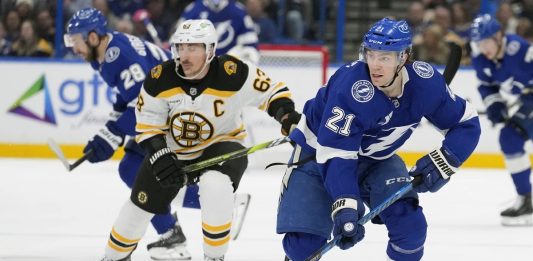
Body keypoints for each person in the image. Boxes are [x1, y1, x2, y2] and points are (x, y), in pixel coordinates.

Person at [277, 18, 481, 261]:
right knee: (302, 247)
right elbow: (336, 154)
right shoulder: (350, 87)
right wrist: (346, 204)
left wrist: (444, 160)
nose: (375, 65)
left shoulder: (425, 83)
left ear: (403, 57)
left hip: (376, 161)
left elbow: (466, 123)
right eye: (371, 55)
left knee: (410, 226)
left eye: (384, 57)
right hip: (319, 156)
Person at [99, 19, 301, 261]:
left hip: (222, 145)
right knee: (139, 206)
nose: (184, 55)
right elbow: (146, 122)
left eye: (192, 48)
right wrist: (159, 153)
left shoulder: (233, 72)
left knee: (214, 185)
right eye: (180, 48)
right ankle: (113, 257)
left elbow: (272, 91)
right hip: (173, 151)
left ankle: (214, 257)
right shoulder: (159, 78)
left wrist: (286, 115)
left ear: (210, 50)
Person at [63, 8, 247, 261]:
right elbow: (127, 96)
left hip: (178, 112)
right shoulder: (107, 51)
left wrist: (112, 132)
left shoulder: (118, 55)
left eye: (76, 41)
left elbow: (143, 99)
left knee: (134, 170)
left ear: (93, 37)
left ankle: (211, 209)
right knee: (132, 168)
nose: (74, 48)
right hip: (172, 110)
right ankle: (177, 232)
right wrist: (111, 129)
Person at [470, 14, 533, 226]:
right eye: (479, 43)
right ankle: (526, 200)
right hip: (529, 101)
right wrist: (495, 105)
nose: (483, 48)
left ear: (499, 35)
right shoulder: (481, 58)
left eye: (486, 41)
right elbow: (486, 85)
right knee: (510, 138)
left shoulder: (520, 48)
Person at [178, 0, 260, 64]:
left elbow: (251, 48)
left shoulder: (239, 12)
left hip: (230, 72)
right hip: (199, 72)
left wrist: (235, 62)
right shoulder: (192, 10)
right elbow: (177, 44)